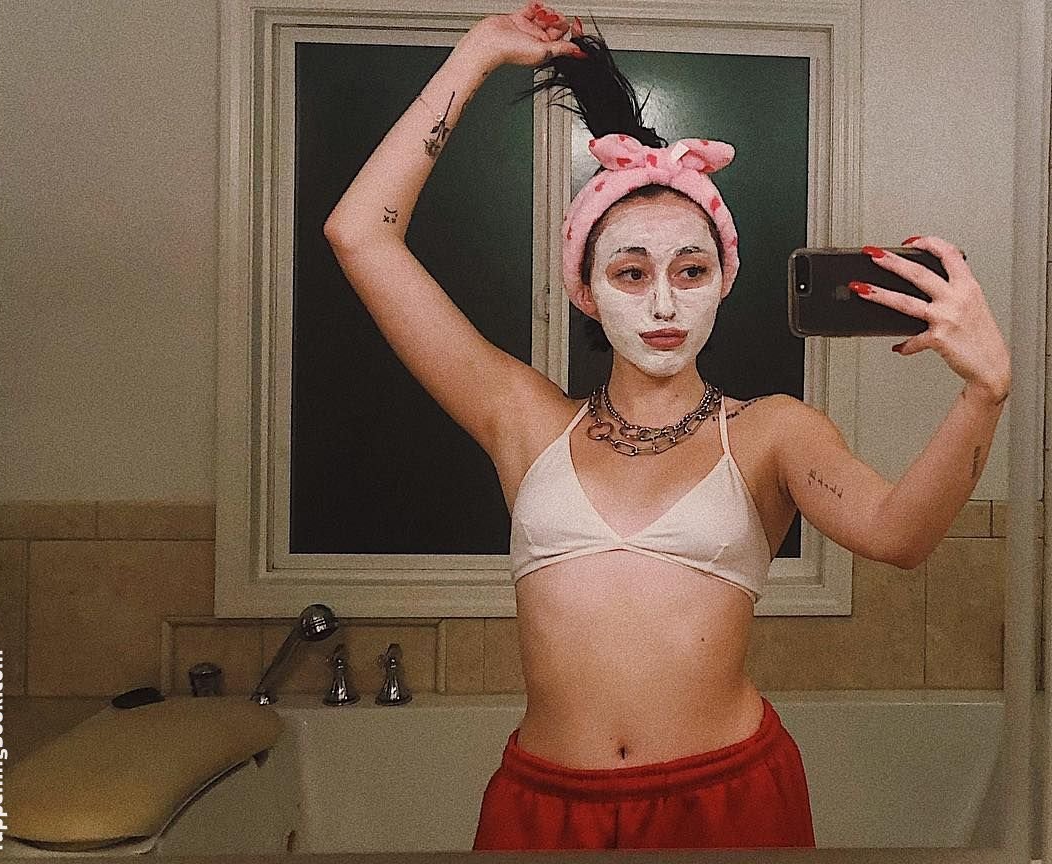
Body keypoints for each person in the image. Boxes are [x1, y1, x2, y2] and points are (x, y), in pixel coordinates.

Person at [323, 4, 1012, 851]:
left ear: (724, 281)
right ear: (584, 289)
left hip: (729, 801)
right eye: (629, 271)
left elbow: (899, 536)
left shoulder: (770, 435)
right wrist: (479, 52)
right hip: (546, 809)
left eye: (691, 270)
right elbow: (359, 235)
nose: (661, 303)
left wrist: (983, 392)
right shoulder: (522, 421)